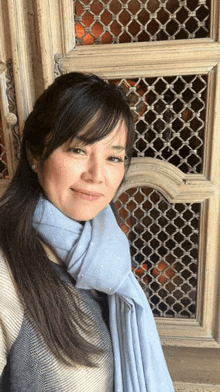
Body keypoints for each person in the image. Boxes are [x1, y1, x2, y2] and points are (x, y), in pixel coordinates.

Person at [0, 72, 175, 391]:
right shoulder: (5, 271)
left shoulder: (109, 252)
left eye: (113, 157)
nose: (97, 174)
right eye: (78, 150)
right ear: (36, 154)